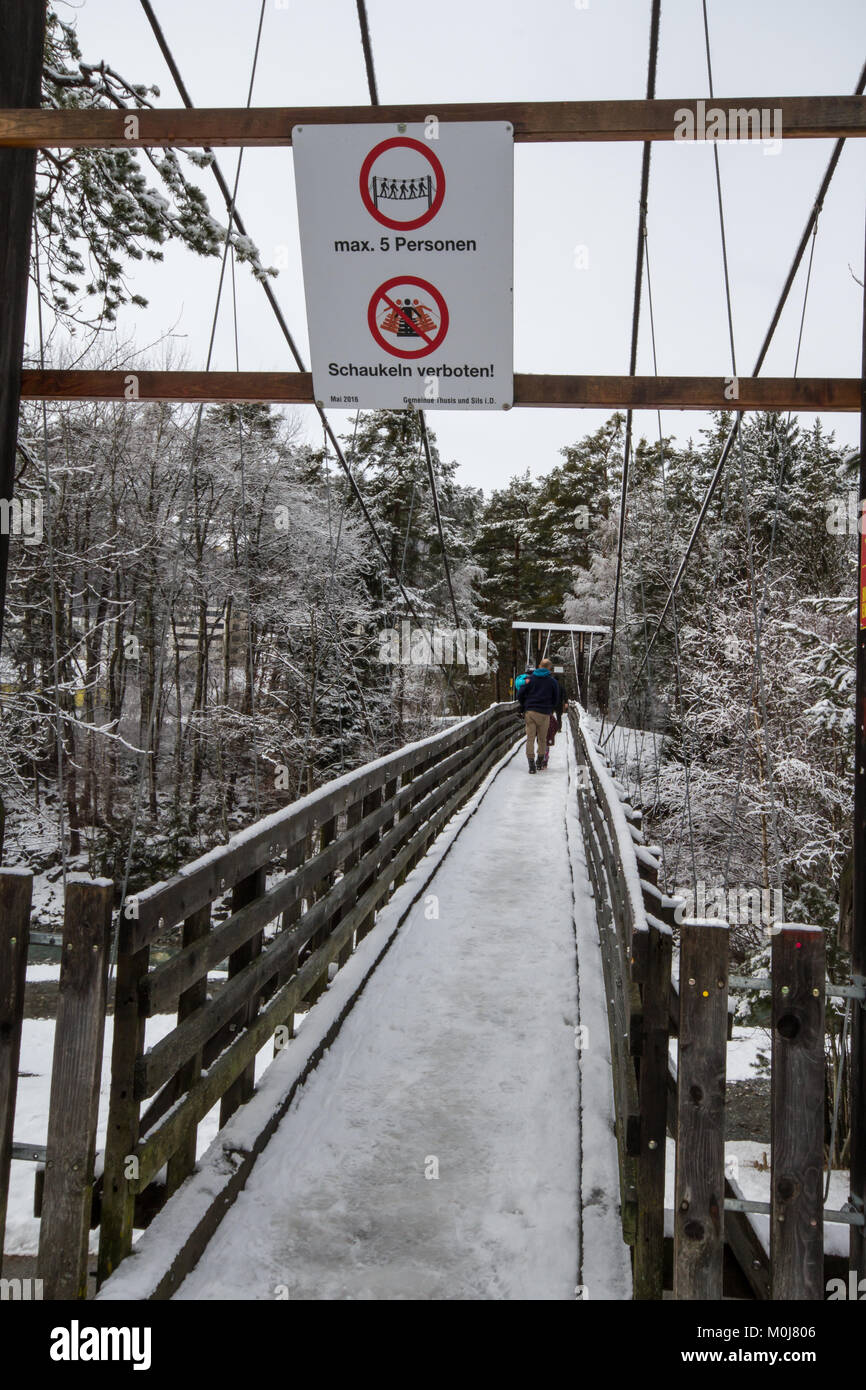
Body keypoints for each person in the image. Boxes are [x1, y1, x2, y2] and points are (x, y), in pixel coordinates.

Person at [517, 657, 560, 773]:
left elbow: (520, 693)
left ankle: (531, 765)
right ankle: (539, 762)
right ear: (550, 669)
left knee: (530, 739)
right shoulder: (552, 682)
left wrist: (524, 705)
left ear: (540, 666)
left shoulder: (530, 679)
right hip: (544, 713)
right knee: (542, 739)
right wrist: (550, 708)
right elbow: (556, 698)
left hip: (530, 712)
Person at [539, 672, 569, 769]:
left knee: (550, 718)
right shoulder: (560, 686)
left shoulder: (550, 686)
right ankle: (559, 728)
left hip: (551, 705)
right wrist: (566, 702)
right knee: (559, 717)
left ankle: (548, 727)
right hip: (559, 703)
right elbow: (565, 694)